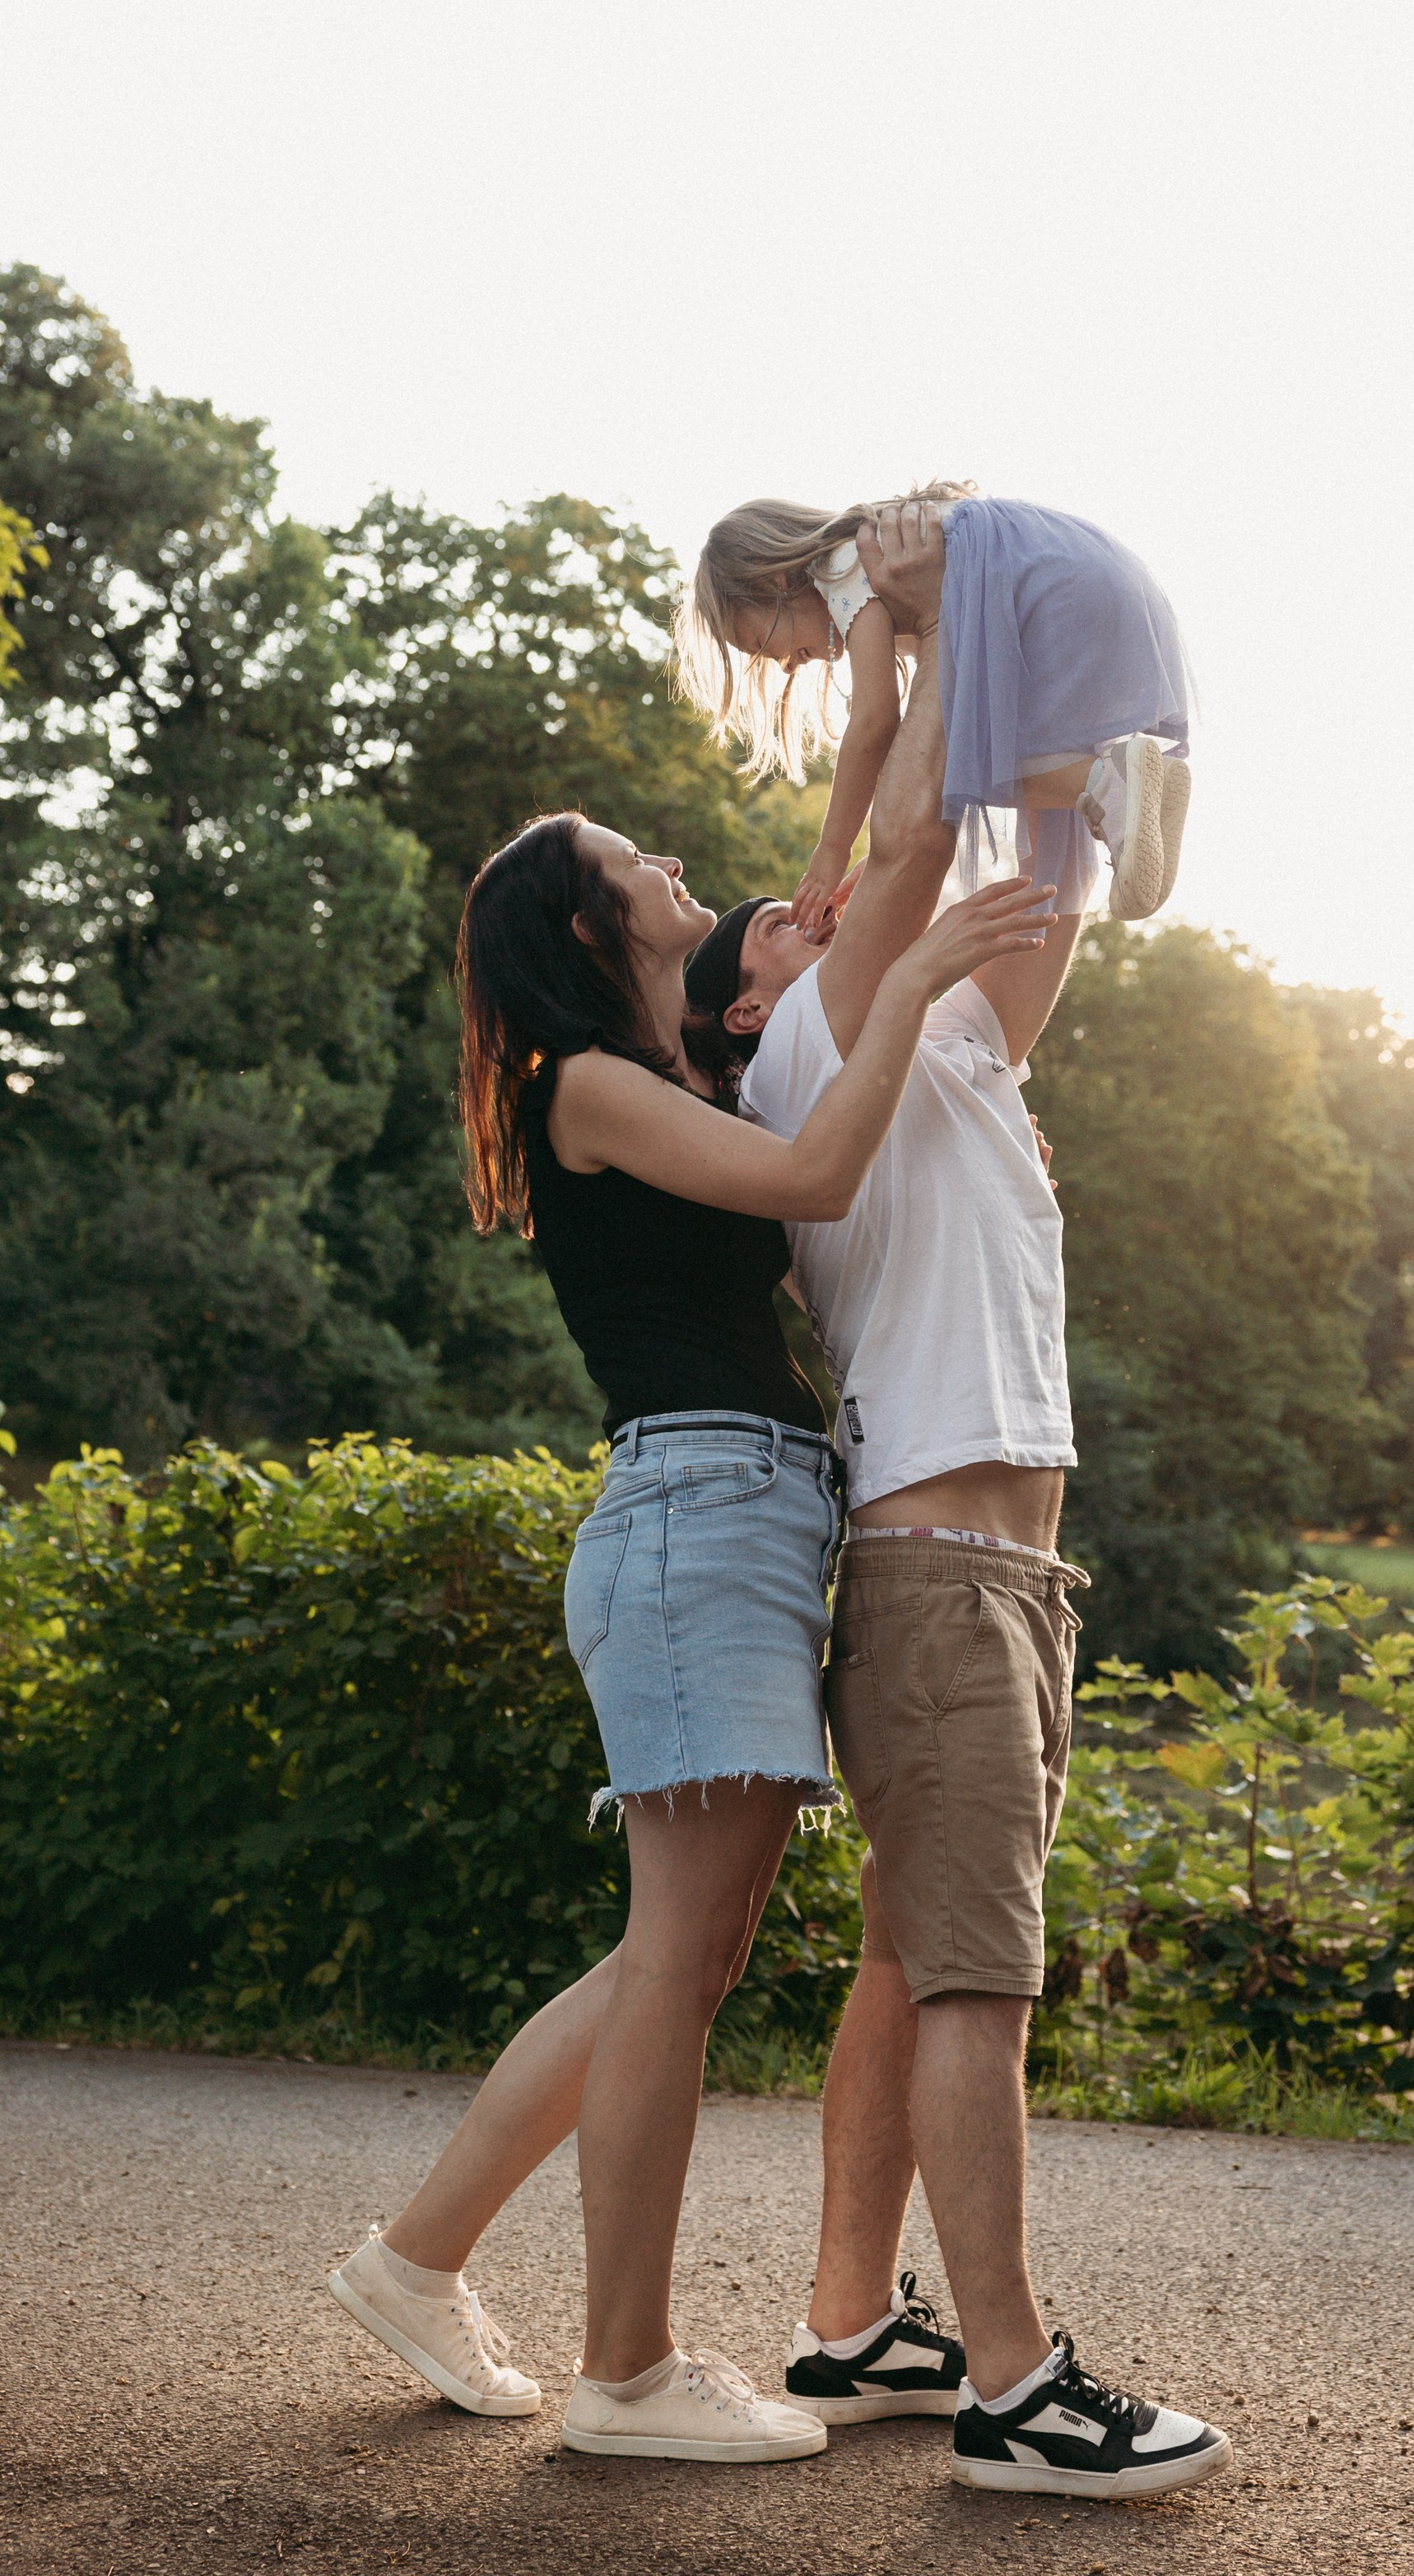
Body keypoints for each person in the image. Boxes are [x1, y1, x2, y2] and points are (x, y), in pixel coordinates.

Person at [324, 535, 1054, 2467]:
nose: (672, 866)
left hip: (733, 1512)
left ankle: (421, 2256)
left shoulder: (669, 1074)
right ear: (587, 930)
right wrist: (922, 983)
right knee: (677, 1952)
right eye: (627, 861)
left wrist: (890, 619)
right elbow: (821, 1171)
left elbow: (856, 847)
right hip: (698, 1511)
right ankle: (627, 2374)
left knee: (684, 1948)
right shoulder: (583, 1083)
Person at [680, 504, 1231, 2501]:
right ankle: (1012, 2381)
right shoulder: (811, 1047)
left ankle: (847, 2324)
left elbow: (1047, 880)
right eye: (772, 924)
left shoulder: (952, 1056)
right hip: (938, 1559)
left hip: (998, 1568)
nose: (804, 914)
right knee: (973, 1978)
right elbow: (915, 824)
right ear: (750, 1011)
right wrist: (890, 636)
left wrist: (985, 633)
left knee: (917, 1958)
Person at [673, 484, 1194, 935]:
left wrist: (831, 851)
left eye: (762, 643)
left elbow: (876, 722)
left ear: (776, 582)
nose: (785, 666)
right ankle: (1152, 790)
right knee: (963, 749)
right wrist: (878, 857)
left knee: (959, 766)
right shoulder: (888, 551)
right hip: (1092, 578)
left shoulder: (841, 569)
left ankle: (1106, 781)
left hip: (1058, 597)